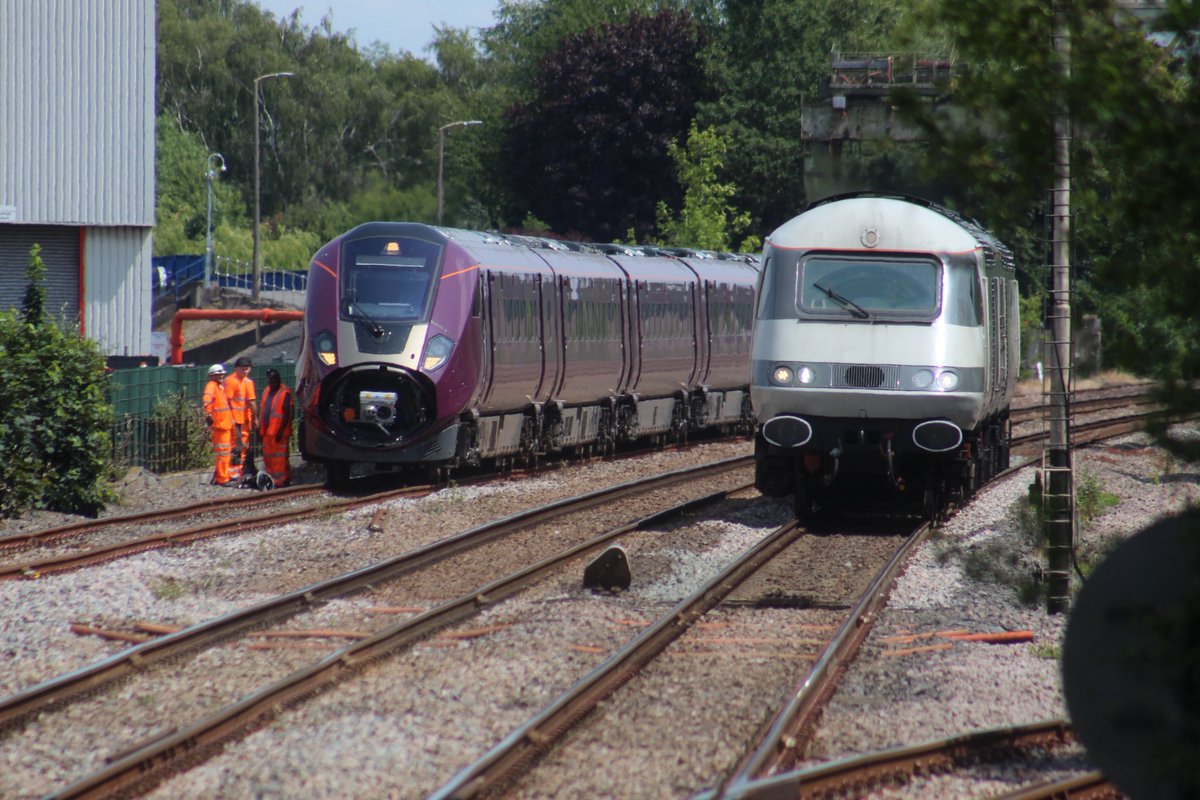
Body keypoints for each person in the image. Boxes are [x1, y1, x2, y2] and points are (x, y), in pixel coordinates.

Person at [258, 368, 295, 487]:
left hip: (279, 432)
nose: (271, 382)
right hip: (267, 432)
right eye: (269, 380)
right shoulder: (266, 391)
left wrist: (281, 430)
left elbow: (288, 413)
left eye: (273, 380)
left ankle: (282, 480)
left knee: (280, 458)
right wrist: (261, 430)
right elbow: (263, 410)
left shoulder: (285, 392)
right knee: (268, 457)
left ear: (278, 380)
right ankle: (271, 478)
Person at [201, 363, 236, 486]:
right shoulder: (211, 386)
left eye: (222, 374)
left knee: (226, 453)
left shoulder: (220, 388)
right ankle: (222, 478)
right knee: (222, 453)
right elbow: (206, 401)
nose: (221, 376)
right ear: (212, 376)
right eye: (218, 375)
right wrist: (208, 415)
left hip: (225, 425)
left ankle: (224, 475)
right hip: (220, 426)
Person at [225, 356, 257, 463]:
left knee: (243, 445)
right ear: (236, 368)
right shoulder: (231, 381)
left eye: (247, 368)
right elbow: (227, 402)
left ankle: (240, 470)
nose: (245, 371)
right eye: (242, 368)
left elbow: (251, 401)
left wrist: (254, 418)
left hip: (244, 421)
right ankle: (235, 471)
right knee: (235, 446)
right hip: (235, 421)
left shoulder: (248, 382)